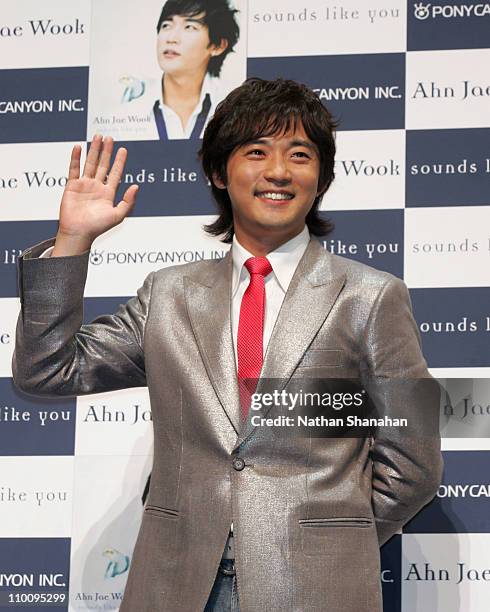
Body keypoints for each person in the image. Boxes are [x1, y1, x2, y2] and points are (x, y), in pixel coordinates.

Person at [12, 78, 443, 612]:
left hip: (315, 587)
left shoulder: (373, 297)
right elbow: (47, 371)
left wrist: (329, 536)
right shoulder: (167, 295)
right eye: (256, 152)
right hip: (176, 582)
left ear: (321, 177)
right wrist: (73, 240)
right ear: (220, 171)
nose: (279, 171)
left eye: (300, 154)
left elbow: (414, 463)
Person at [117, 0, 240, 141]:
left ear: (218, 46)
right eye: (166, 25)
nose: (171, 38)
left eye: (189, 27)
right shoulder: (124, 117)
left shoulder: (235, 111)